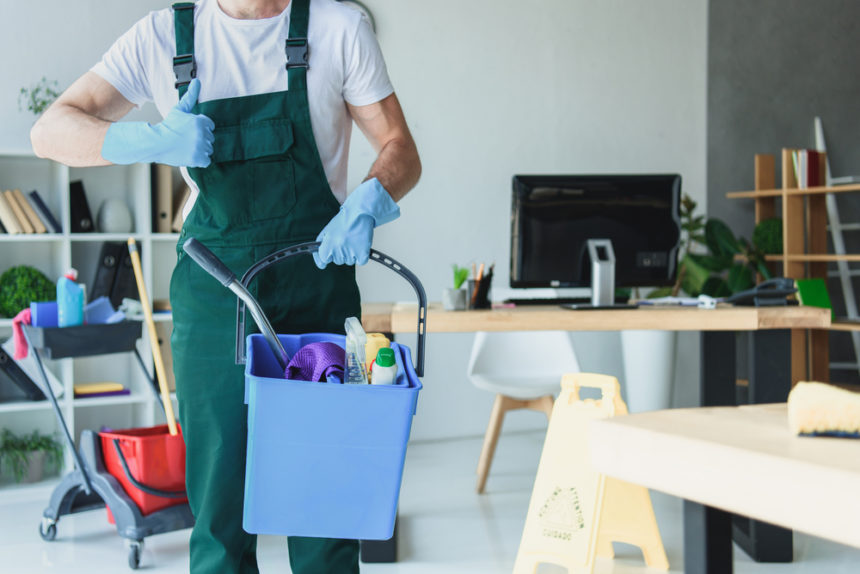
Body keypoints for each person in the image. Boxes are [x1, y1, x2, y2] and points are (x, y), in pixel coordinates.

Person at [30, 0, 420, 572]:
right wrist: (150, 141)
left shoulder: (338, 28)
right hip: (218, 297)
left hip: (318, 289)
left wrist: (370, 196)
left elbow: (401, 148)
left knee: (325, 511)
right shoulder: (164, 36)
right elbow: (49, 130)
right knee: (218, 513)